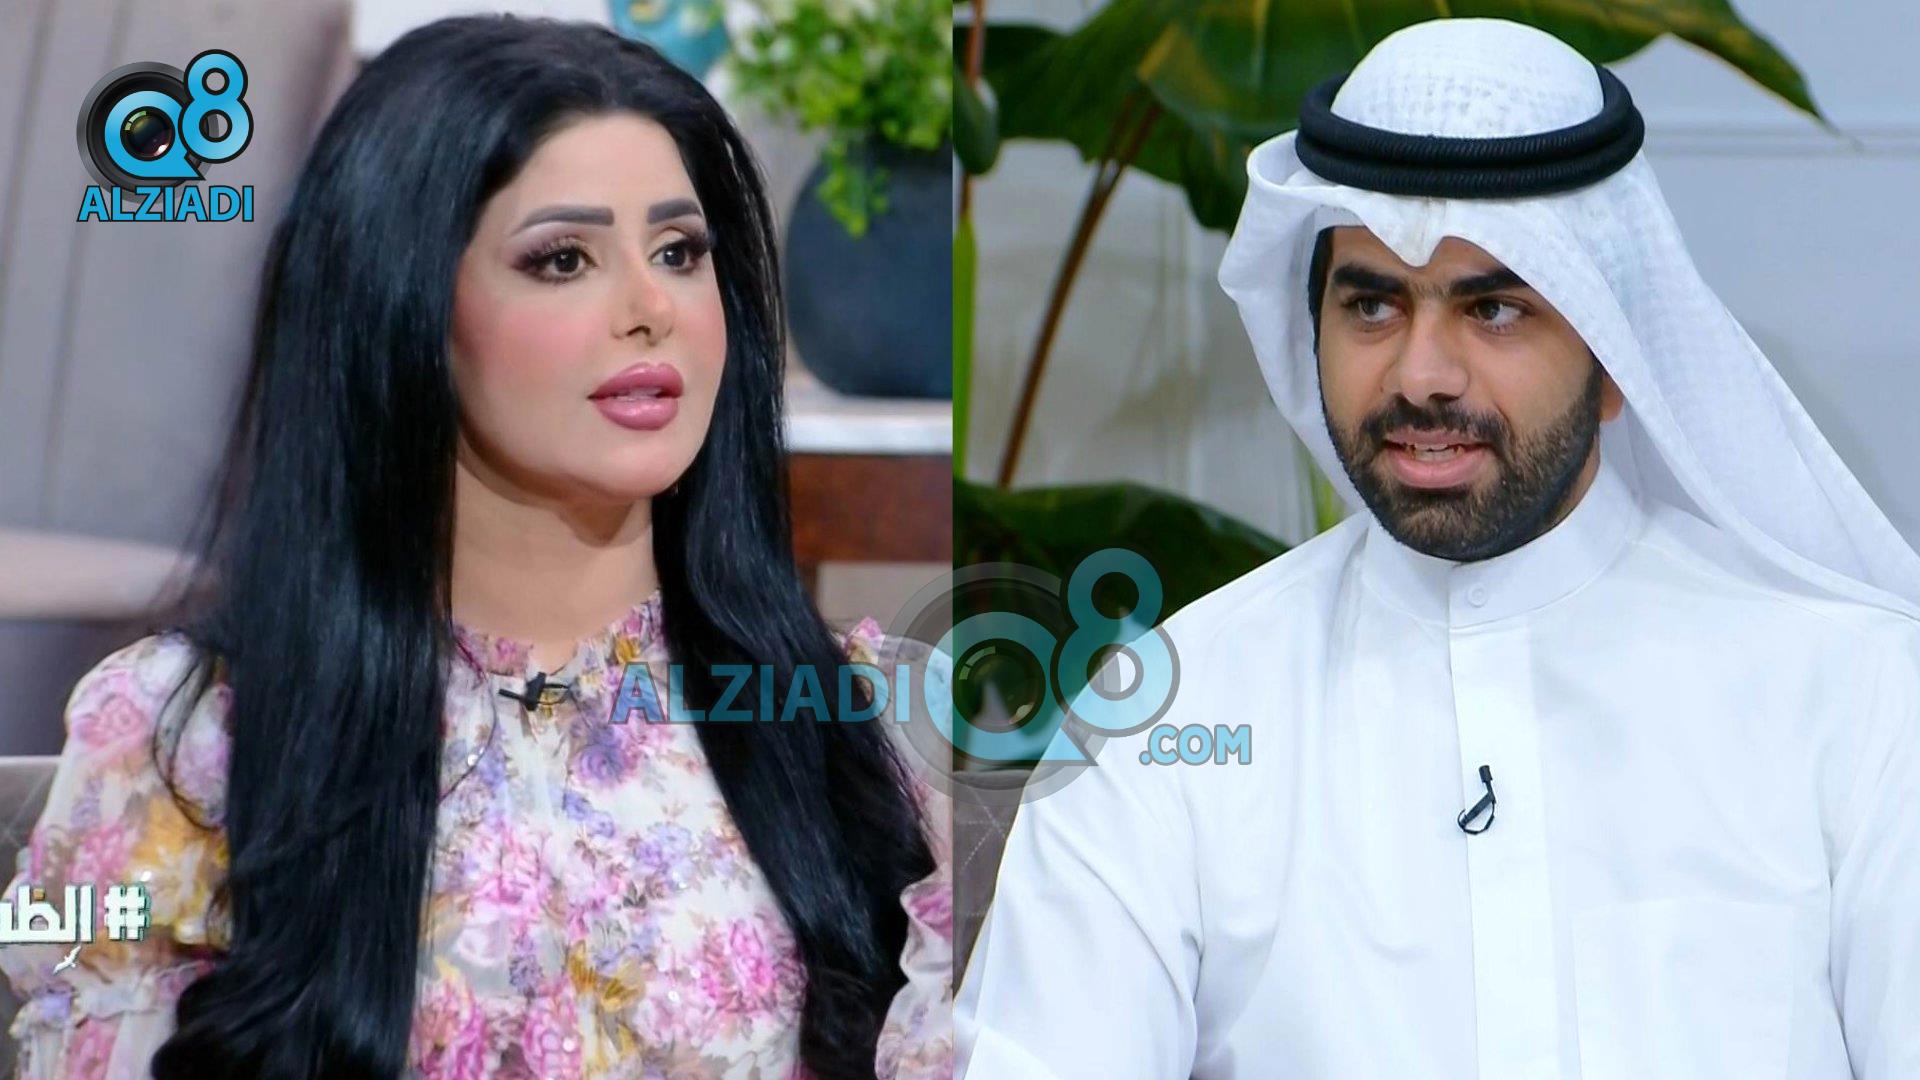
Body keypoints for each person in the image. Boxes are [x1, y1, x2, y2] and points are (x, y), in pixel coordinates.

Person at [955, 17, 1919, 1080]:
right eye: (1372, 305)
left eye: (1494, 309)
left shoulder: (1858, 697)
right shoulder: (1168, 718)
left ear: (1613, 359)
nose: (1423, 376)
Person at [0, 16, 951, 1079]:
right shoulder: (175, 739)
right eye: (562, 259)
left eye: (680, 252)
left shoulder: (866, 722)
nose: (652, 309)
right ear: (399, 303)